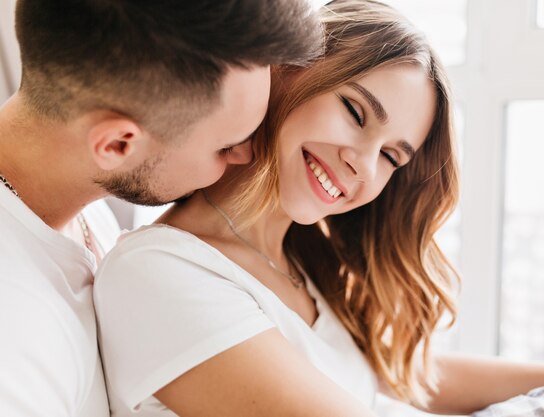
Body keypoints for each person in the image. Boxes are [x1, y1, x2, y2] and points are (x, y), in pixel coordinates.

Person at [94, 1, 544, 416]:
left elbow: (405, 375)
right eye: (355, 112)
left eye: (392, 155)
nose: (364, 167)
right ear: (287, 71)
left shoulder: (302, 266)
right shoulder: (161, 272)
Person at [0, 0, 322, 416]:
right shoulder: (15, 344)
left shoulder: (76, 199)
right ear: (117, 144)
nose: (247, 156)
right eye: (226, 146)